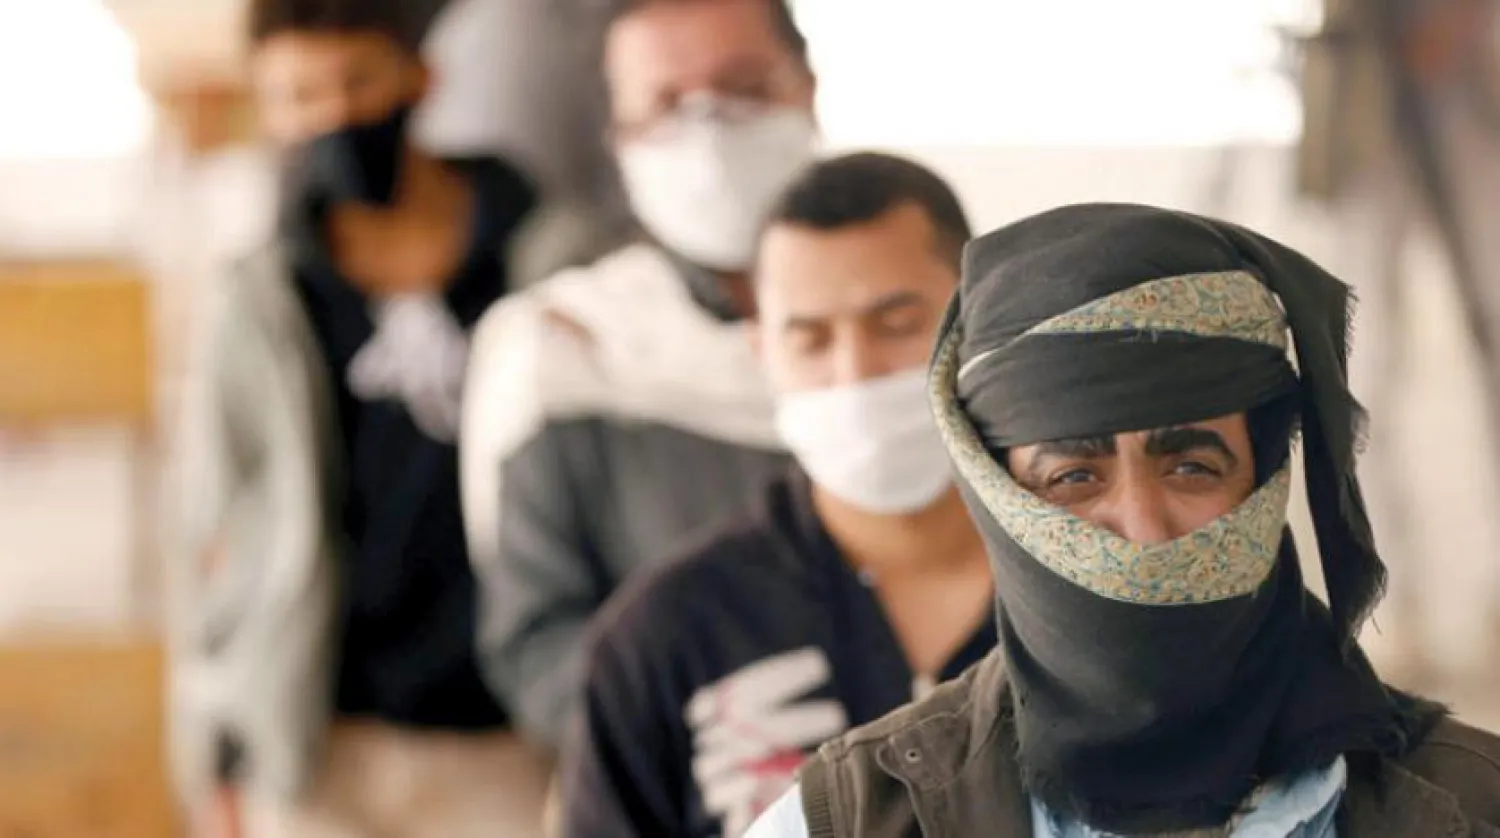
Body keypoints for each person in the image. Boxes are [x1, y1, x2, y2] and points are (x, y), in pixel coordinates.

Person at [747, 203, 1500, 837]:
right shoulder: (851, 819)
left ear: (1268, 475)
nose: (1142, 528)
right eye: (1074, 477)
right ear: (996, 498)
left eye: (1191, 466)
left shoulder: (1469, 806)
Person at [165, 0, 548, 835]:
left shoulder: (539, 253)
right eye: (298, 96)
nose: (332, 117)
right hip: (321, 745)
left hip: (509, 745)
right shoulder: (263, 296)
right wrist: (214, 746)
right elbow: (211, 529)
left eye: (357, 83)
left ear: (419, 76)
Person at [555, 152, 996, 838]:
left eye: (898, 323)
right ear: (763, 352)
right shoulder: (668, 635)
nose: (853, 372)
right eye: (810, 338)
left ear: (978, 324)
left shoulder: (1083, 589)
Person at [459, 0, 817, 751]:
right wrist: (685, 718)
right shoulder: (563, 350)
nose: (709, 129)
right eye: (665, 104)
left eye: (743, 86)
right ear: (619, 138)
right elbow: (534, 641)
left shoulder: (925, 323)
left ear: (806, 89)